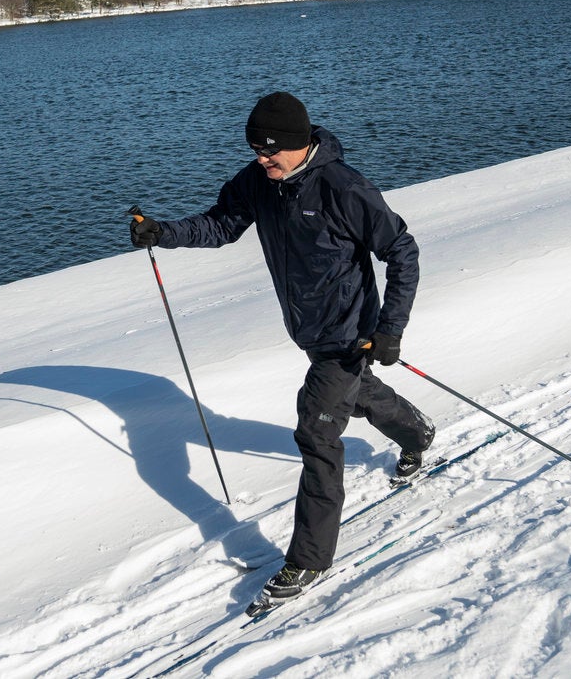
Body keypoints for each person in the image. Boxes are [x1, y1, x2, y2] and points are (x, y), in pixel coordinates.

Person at [130, 91, 434, 607]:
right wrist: (165, 232)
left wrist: (390, 329)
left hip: (350, 332)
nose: (261, 159)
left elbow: (401, 250)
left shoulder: (344, 187)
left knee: (315, 430)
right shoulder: (260, 182)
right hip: (309, 330)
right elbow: (221, 224)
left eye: (271, 151)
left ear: (299, 143)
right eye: (255, 149)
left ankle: (309, 560)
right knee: (353, 395)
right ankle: (417, 431)